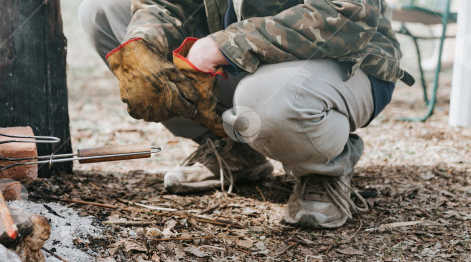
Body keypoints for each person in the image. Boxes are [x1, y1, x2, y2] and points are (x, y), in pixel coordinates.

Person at [78, 0, 413, 229]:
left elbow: (349, 13)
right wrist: (144, 44)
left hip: (345, 62)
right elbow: (162, 4)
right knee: (104, 10)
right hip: (245, 64)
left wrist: (225, 44)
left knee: (268, 101)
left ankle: (322, 169)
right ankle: (231, 144)